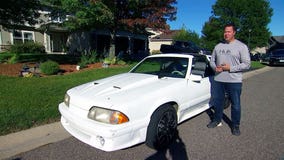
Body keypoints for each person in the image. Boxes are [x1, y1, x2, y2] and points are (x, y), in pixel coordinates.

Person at [207, 23, 251, 136]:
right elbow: (212, 61)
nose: (226, 34)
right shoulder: (218, 46)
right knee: (218, 101)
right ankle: (217, 120)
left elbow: (247, 64)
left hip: (234, 81)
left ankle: (235, 125)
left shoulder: (241, 46)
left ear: (234, 32)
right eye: (225, 31)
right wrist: (214, 67)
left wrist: (230, 68)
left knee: (235, 104)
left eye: (229, 32)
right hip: (219, 79)